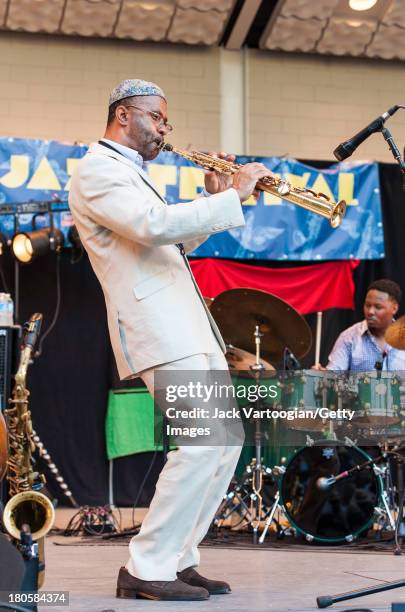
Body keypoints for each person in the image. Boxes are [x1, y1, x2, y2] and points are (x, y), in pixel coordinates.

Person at [68, 79, 272, 602]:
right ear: (122, 115)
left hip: (188, 327)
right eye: (157, 118)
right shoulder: (96, 169)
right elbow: (154, 226)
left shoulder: (134, 174)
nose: (163, 129)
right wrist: (231, 195)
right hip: (158, 329)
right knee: (204, 444)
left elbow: (171, 239)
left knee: (226, 446)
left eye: (165, 121)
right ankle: (146, 565)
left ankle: (179, 558)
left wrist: (211, 198)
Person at [326, 279, 405, 371]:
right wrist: (323, 376)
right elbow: (333, 376)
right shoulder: (349, 337)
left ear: (394, 308)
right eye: (367, 305)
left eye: (378, 307)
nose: (370, 311)